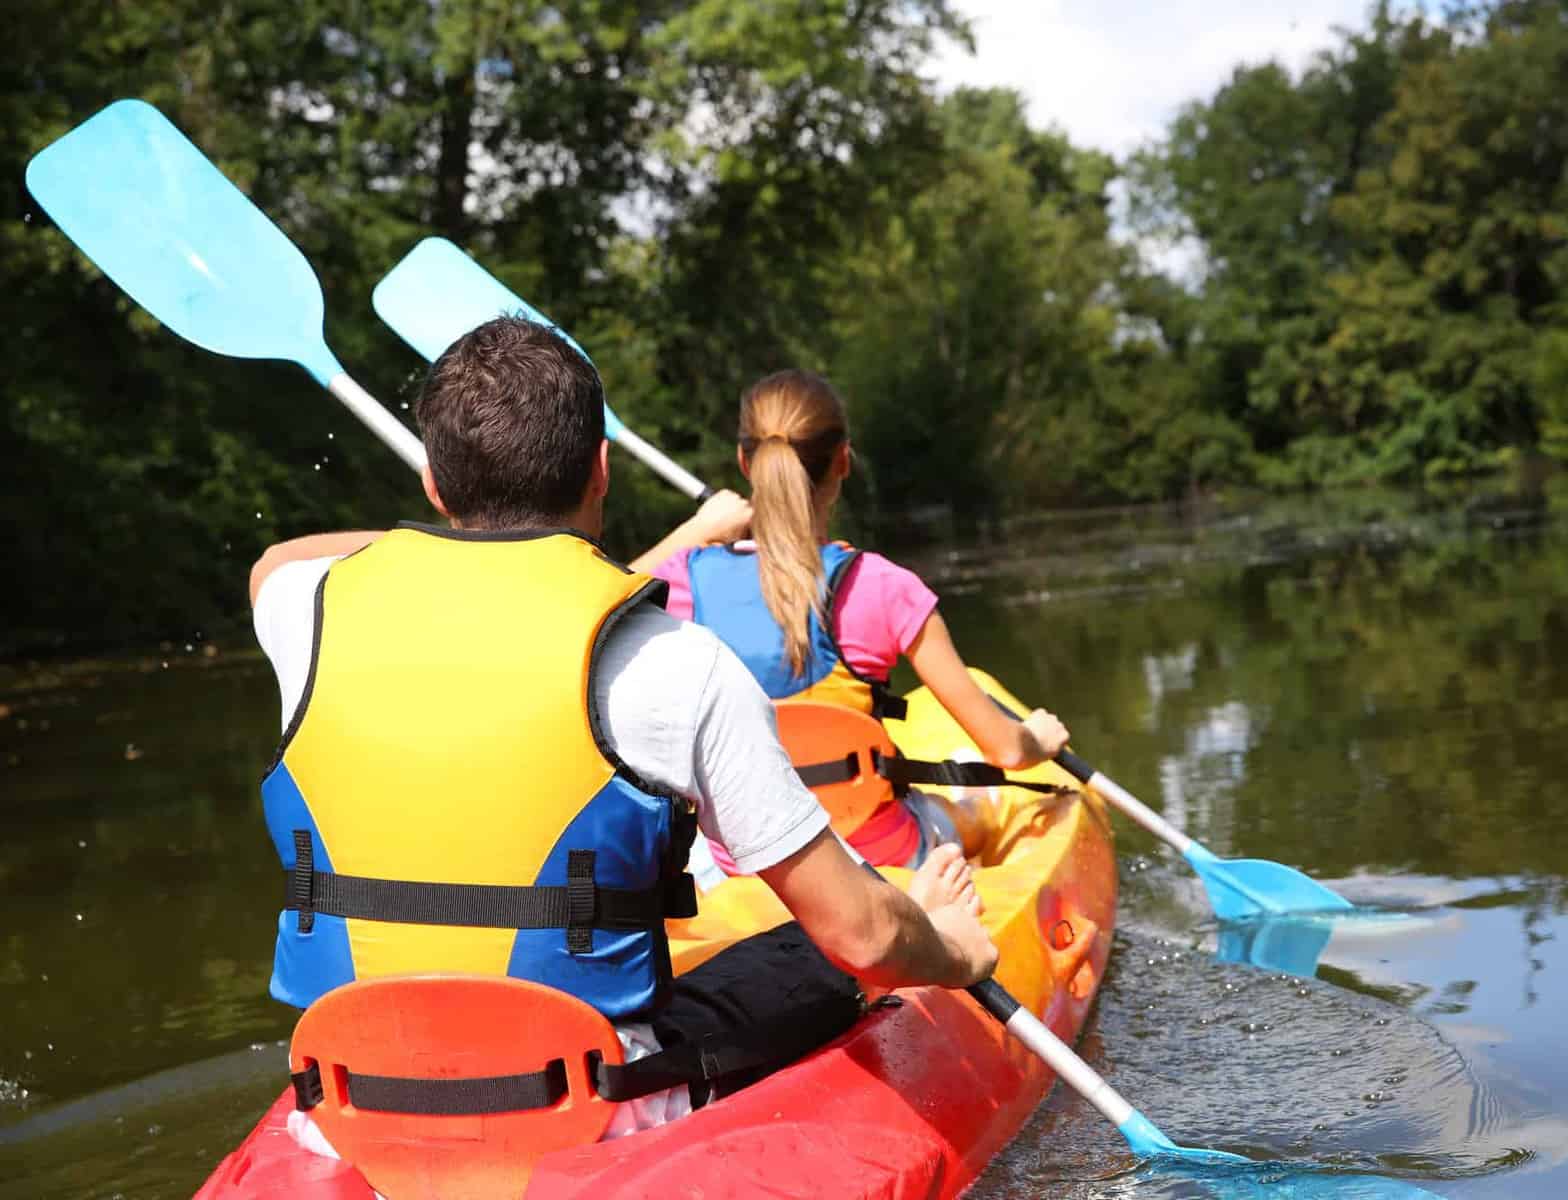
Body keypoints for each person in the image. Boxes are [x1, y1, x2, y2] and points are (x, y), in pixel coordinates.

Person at [247, 317, 996, 1146]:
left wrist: (448, 544)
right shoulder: (679, 665)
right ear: (602, 471)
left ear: (434, 487)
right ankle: (931, 910)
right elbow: (862, 934)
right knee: (825, 955)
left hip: (347, 1104)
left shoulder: (303, 615)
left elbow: (277, 560)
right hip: (594, 1116)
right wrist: (956, 952)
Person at [651, 369, 1071, 870]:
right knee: (974, 807)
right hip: (875, 856)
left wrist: (695, 530)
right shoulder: (883, 586)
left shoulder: (680, 583)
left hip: (740, 867)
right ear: (844, 461)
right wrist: (1037, 740)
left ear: (746, 462)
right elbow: (1005, 750)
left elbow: (592, 611)